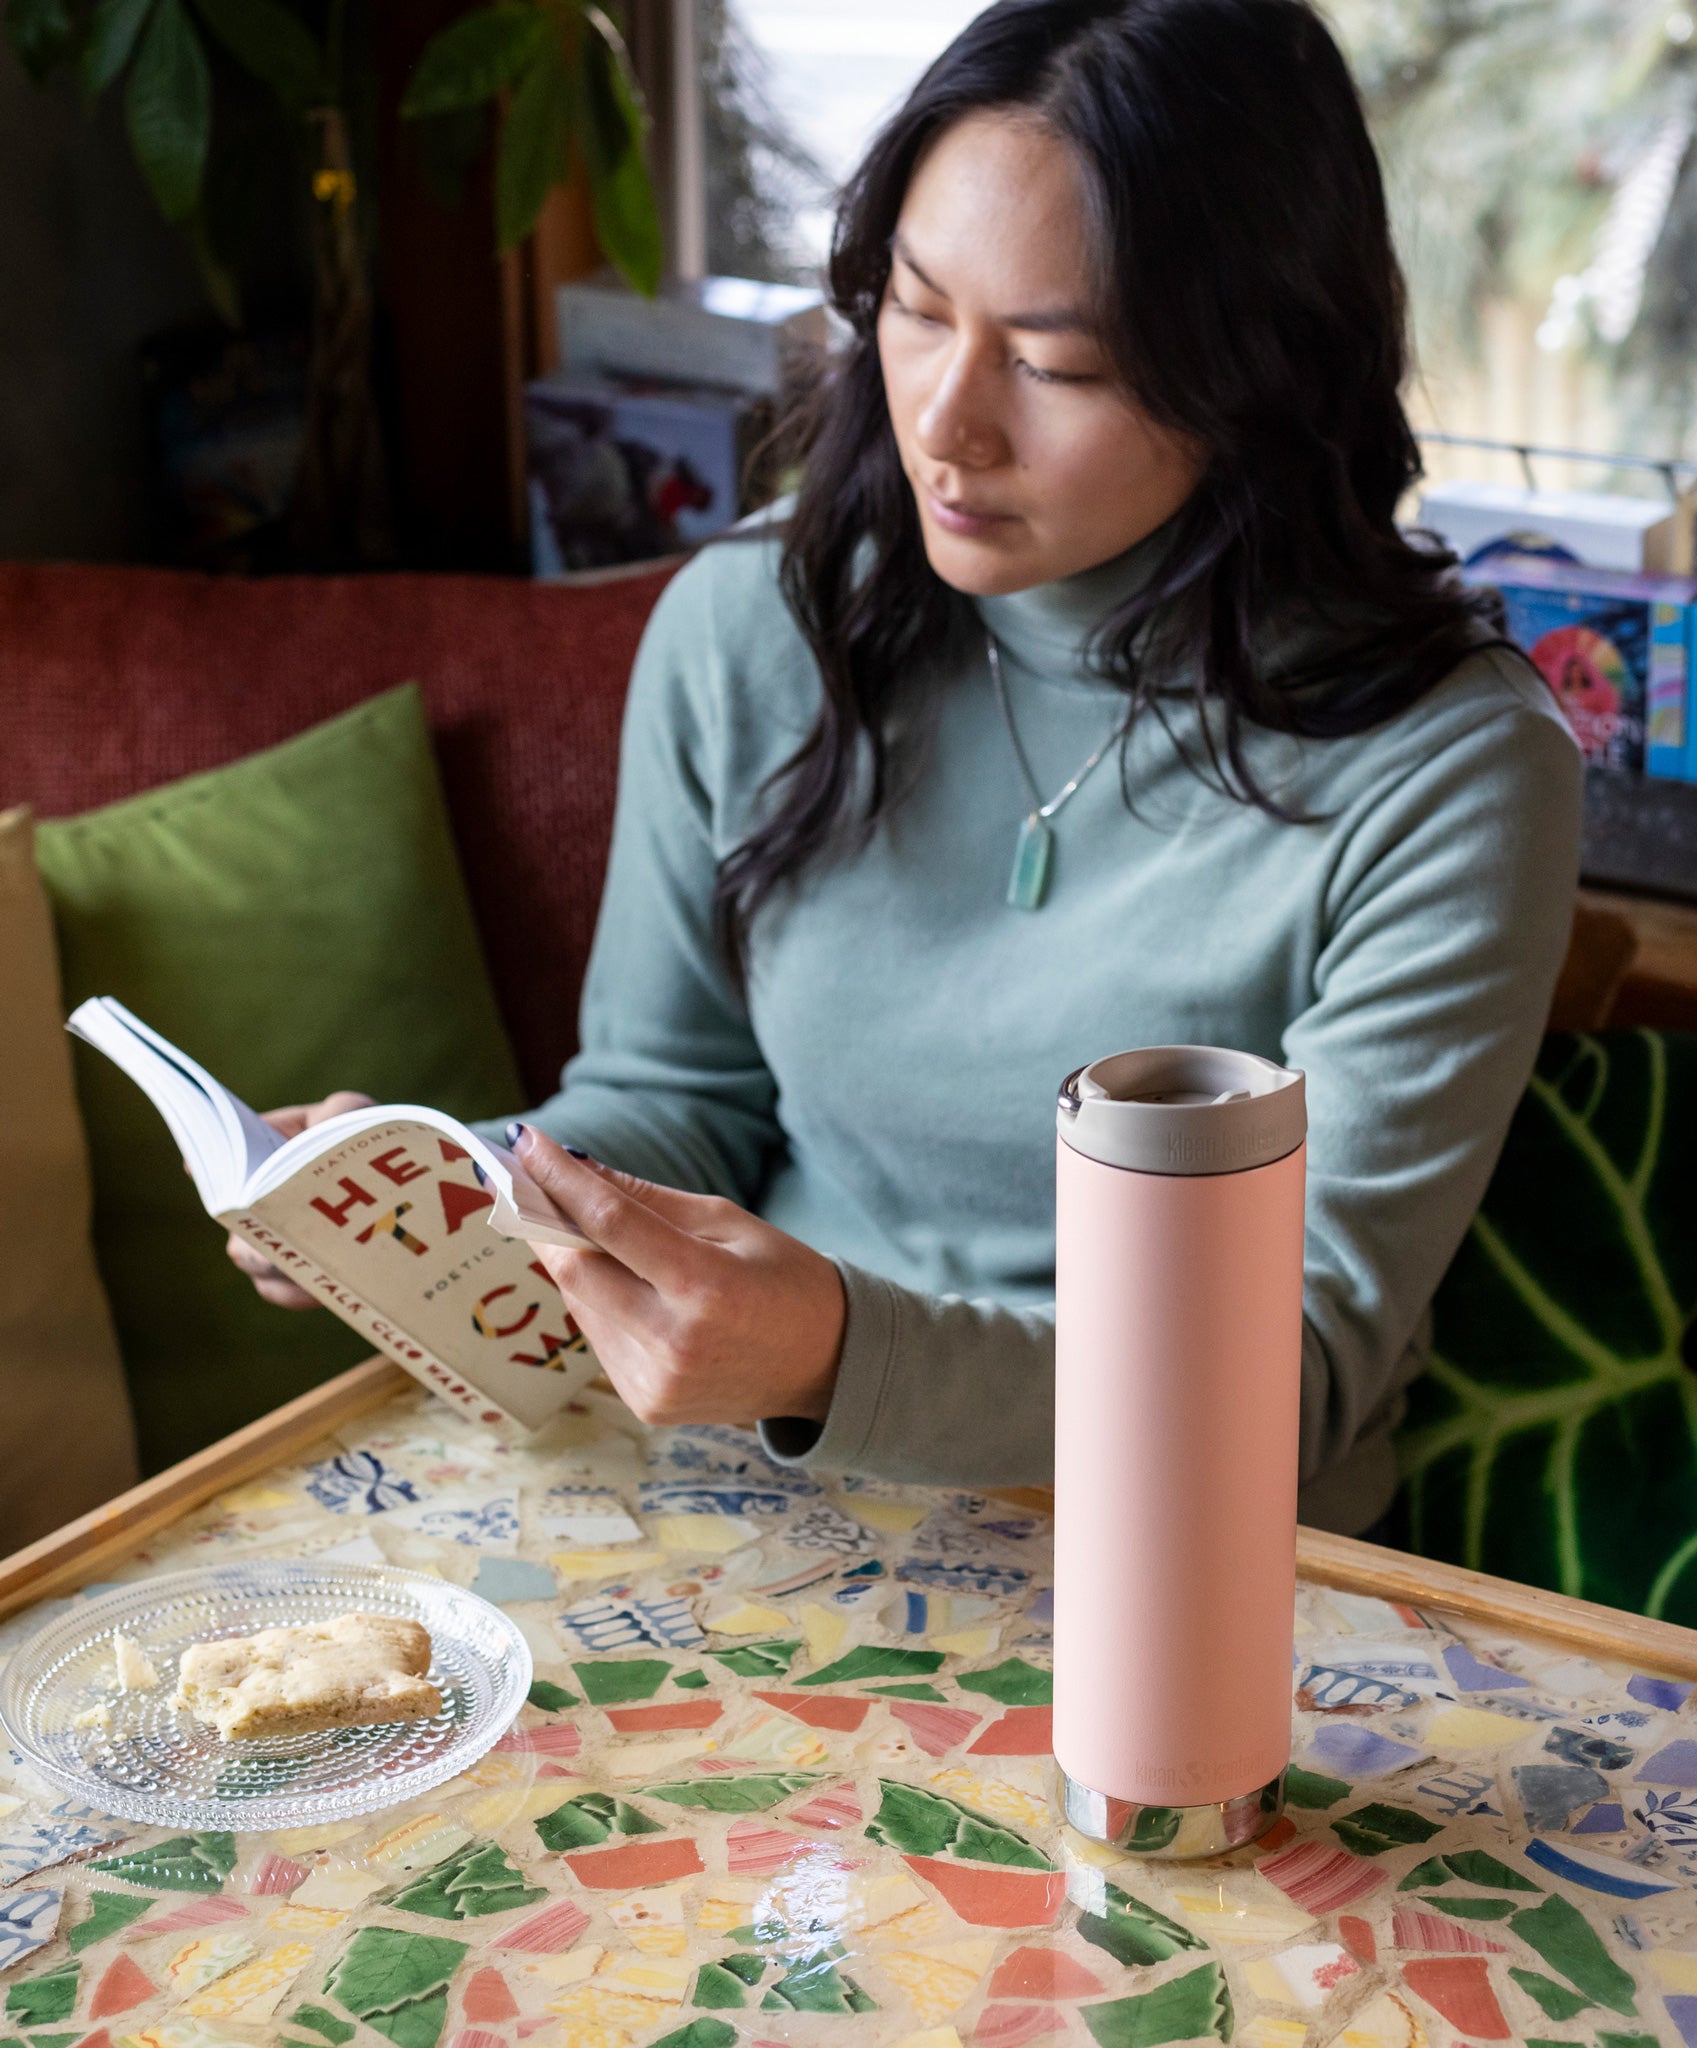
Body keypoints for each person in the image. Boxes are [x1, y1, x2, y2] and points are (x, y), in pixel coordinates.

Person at [232, 0, 1582, 1539]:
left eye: (1056, 366)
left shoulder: (1447, 767)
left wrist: (836, 1354)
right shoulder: (755, 626)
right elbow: (676, 1100)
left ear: (1256, 374)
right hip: (747, 1497)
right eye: (916, 307)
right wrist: (439, 1198)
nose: (945, 423)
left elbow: (1300, 1369)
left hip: (1189, 1579)